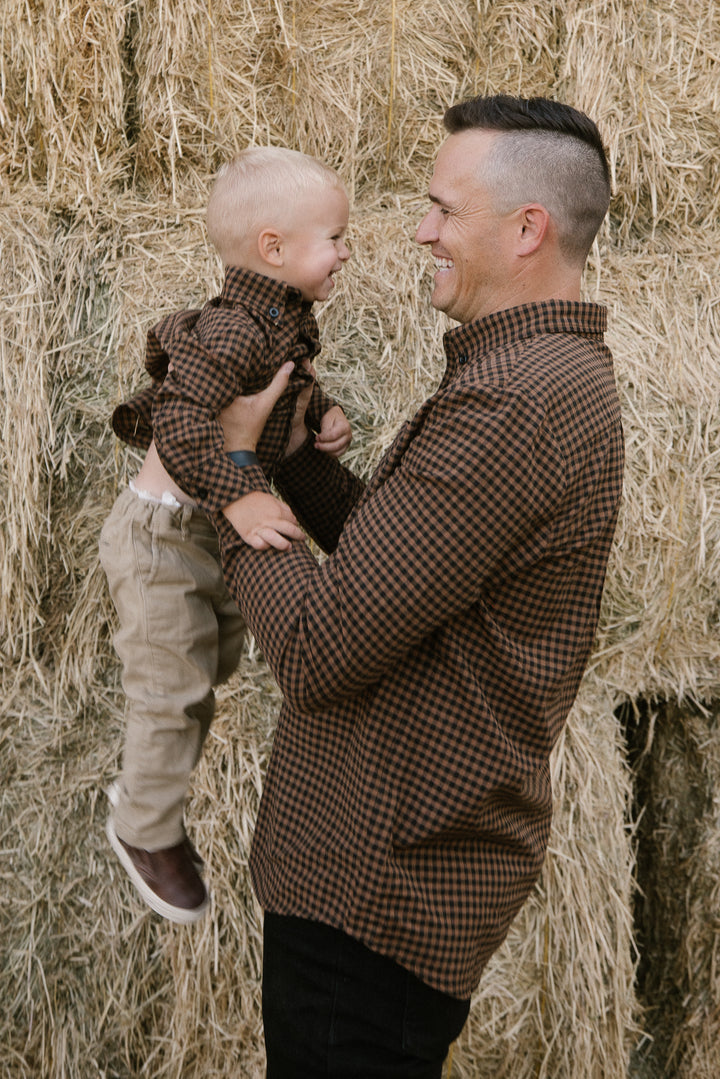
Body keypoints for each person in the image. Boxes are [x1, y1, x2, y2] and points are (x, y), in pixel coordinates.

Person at [214, 94, 624, 1075]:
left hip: (377, 886)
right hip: (393, 873)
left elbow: (318, 649)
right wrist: (299, 464)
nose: (419, 229)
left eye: (443, 208)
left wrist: (229, 476)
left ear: (528, 230)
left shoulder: (513, 402)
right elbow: (406, 578)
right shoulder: (539, 377)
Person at [99, 146, 352, 924]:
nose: (346, 253)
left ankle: (153, 770)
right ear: (273, 249)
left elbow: (271, 398)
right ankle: (142, 827)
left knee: (215, 661)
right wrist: (241, 490)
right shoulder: (232, 328)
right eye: (336, 238)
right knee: (172, 692)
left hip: (200, 528)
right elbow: (179, 418)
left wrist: (317, 415)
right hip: (161, 535)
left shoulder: (280, 326)